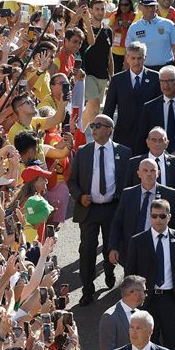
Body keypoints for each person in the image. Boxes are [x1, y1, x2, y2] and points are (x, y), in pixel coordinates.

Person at [67, 114, 132, 305]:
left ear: (109, 129)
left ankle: (109, 270)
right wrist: (80, 196)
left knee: (111, 247)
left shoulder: (125, 152)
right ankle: (87, 289)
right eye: (92, 125)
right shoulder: (83, 151)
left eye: (98, 125)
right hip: (89, 209)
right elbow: (71, 181)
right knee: (86, 249)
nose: (93, 129)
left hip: (113, 208)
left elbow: (128, 181)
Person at [124, 200, 175, 350]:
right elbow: (129, 275)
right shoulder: (137, 241)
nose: (158, 220)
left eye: (162, 216)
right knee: (147, 343)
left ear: (169, 217)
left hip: (171, 299)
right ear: (150, 217)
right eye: (154, 216)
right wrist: (130, 303)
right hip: (147, 300)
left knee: (173, 343)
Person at [110, 158, 175, 266]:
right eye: (145, 170)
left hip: (160, 250)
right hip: (132, 251)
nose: (149, 174)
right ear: (138, 174)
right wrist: (113, 247)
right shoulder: (128, 194)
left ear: (158, 173)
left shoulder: (170, 194)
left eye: (152, 170)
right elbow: (117, 222)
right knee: (133, 282)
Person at [90, 275, 147, 350]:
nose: (146, 294)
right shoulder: (110, 317)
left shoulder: (140, 314)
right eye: (144, 291)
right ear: (133, 293)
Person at [102, 41, 162, 150]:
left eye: (139, 58)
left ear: (145, 58)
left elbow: (160, 108)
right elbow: (108, 109)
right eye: (133, 58)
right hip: (123, 135)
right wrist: (104, 132)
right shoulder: (117, 80)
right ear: (127, 58)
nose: (136, 62)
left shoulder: (156, 78)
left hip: (149, 137)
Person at [126, 127, 175, 206]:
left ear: (167, 143)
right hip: (141, 212)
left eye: (161, 140)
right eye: (154, 140)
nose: (157, 144)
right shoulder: (134, 163)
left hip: (168, 213)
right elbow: (128, 191)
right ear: (147, 142)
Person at [77, 0, 114, 129]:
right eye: (97, 9)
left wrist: (112, 75)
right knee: (95, 103)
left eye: (102, 9)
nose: (100, 12)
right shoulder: (84, 28)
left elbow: (109, 56)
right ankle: (87, 134)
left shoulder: (108, 30)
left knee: (93, 109)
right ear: (91, 10)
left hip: (103, 75)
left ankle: (79, 131)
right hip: (88, 73)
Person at [136, 66, 175, 156]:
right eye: (162, 81)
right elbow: (142, 139)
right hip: (157, 162)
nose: (165, 85)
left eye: (169, 81)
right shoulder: (149, 107)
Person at [126, 0, 175, 71]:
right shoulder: (134, 28)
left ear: (156, 6)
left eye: (152, 6)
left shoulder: (169, 24)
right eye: (146, 6)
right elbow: (128, 53)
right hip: (143, 70)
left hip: (166, 68)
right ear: (139, 7)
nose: (150, 9)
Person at [107, 0, 135, 70]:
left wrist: (129, 25)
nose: (124, 7)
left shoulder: (134, 16)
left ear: (130, 5)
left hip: (129, 50)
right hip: (115, 50)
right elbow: (107, 29)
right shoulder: (115, 16)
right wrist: (116, 26)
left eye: (126, 4)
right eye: (121, 4)